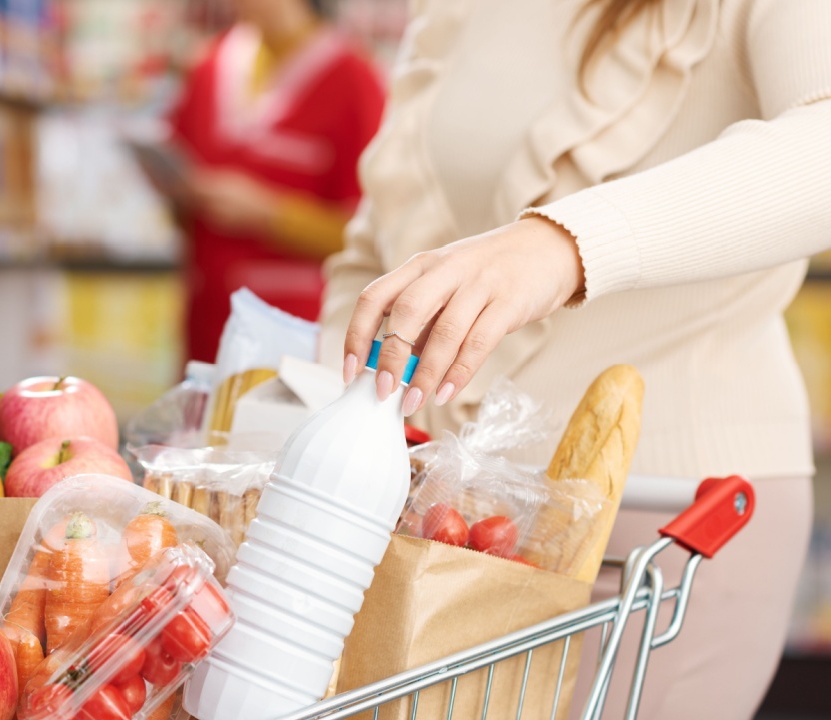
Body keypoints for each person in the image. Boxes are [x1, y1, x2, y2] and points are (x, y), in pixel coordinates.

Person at [320, 0, 831, 717]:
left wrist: (561, 245)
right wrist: (330, 423)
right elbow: (380, 247)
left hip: (663, 533)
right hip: (435, 527)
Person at [167, 0, 385, 362]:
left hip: (295, 334)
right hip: (206, 322)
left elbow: (370, 234)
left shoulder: (354, 81)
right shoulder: (209, 66)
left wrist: (269, 215)